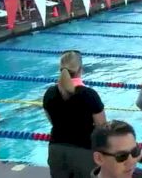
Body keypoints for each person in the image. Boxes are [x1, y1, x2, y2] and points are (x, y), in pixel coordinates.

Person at [43, 50, 106, 178]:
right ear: (80, 69)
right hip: (84, 152)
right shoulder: (89, 94)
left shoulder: (49, 93)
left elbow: (52, 121)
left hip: (57, 149)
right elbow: (102, 126)